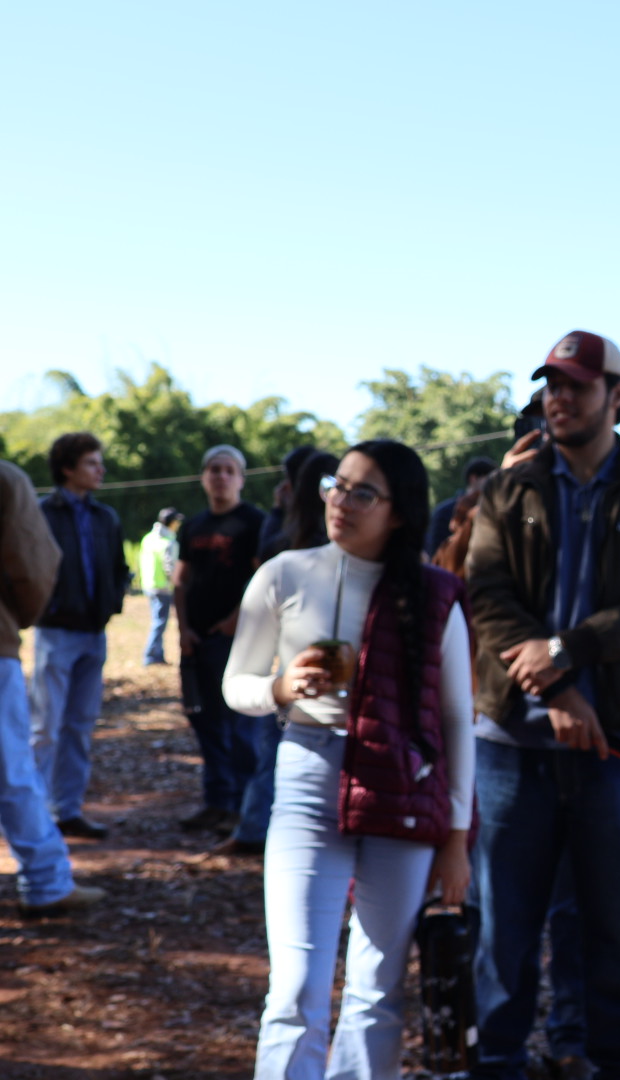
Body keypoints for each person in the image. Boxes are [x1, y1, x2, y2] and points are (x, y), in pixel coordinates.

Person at [465, 329, 620, 1080]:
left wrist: (567, 650)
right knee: (504, 929)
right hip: (513, 743)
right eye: (551, 385)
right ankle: (496, 1062)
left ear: (617, 396)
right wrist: (558, 688)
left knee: (613, 926)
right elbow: (487, 596)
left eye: (576, 385)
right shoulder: (507, 493)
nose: (557, 398)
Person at [224, 439, 475, 1079]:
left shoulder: (434, 594)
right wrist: (281, 688)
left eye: (364, 493)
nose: (341, 501)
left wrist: (455, 837)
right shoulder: (284, 573)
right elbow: (236, 685)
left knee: (377, 987)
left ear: (399, 511)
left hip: (401, 785)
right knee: (295, 985)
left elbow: (455, 720)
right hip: (308, 774)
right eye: (337, 485)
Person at [221, 450, 341, 857]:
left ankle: (255, 828)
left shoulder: (289, 538)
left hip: (297, 679)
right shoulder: (293, 548)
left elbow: (266, 551)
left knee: (271, 750)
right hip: (296, 683)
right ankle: (256, 827)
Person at [1, 459, 105, 916]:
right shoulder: (7, 481)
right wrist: (18, 616)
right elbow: (34, 563)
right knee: (11, 767)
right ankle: (46, 883)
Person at [31, 432, 130, 840]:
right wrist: (46, 606)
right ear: (67, 467)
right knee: (46, 727)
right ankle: (34, 816)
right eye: (91, 462)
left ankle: (67, 809)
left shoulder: (105, 517)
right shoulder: (42, 513)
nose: (100, 469)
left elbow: (119, 568)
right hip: (56, 632)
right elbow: (26, 564)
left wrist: (112, 603)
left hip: (94, 633)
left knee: (80, 725)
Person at [173, 444, 265, 835]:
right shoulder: (193, 526)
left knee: (242, 727)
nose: (221, 476)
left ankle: (245, 809)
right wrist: (183, 630)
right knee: (205, 723)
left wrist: (235, 619)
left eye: (229, 470)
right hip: (197, 642)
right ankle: (217, 802)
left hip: (238, 640)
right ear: (203, 477)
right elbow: (181, 581)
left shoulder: (254, 522)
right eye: (214, 469)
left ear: (241, 478)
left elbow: (262, 579)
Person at [426, 455, 497, 558]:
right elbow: (436, 553)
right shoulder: (444, 512)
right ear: (474, 478)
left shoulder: (493, 511)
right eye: (489, 479)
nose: (494, 485)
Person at [139, 507, 183, 665]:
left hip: (149, 585)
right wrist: (177, 585)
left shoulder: (148, 538)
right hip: (163, 587)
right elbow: (170, 568)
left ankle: (158, 654)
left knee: (158, 620)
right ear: (171, 523)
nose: (178, 524)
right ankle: (150, 655)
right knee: (159, 622)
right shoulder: (169, 542)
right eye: (177, 521)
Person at [256, 446, 315, 560]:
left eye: (287, 478)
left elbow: (267, 553)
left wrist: (278, 510)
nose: (284, 485)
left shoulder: (305, 527)